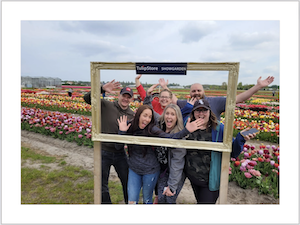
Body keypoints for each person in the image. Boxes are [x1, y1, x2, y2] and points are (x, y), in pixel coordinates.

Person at [116, 105, 203, 204]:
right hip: (134, 169)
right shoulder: (130, 126)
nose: (147, 119)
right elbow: (118, 147)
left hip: (150, 170)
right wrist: (121, 132)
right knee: (131, 200)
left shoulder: (152, 129)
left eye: (149, 117)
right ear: (138, 115)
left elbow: (170, 139)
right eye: (145, 115)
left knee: (147, 199)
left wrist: (186, 131)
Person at [184, 99, 256, 204]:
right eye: (197, 110)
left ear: (209, 112)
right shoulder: (188, 125)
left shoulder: (219, 129)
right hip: (193, 177)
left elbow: (233, 153)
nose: (201, 114)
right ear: (193, 113)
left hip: (210, 180)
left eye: (204, 110)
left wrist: (240, 138)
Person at [83, 80, 135, 204]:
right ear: (119, 96)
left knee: (127, 181)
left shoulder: (132, 115)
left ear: (131, 100)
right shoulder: (106, 105)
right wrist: (101, 88)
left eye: (129, 97)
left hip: (120, 153)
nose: (125, 99)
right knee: (101, 183)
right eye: (124, 96)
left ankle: (129, 204)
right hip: (103, 151)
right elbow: (87, 98)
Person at [169, 76, 275, 120]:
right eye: (193, 91)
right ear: (190, 93)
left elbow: (238, 99)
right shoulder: (186, 103)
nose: (196, 93)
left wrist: (258, 87)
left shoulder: (214, 102)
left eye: (199, 90)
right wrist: (164, 87)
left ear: (203, 91)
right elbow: (174, 100)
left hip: (213, 142)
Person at [155, 104, 187, 204]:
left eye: (173, 114)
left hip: (176, 172)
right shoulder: (159, 128)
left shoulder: (179, 135)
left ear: (177, 117)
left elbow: (177, 162)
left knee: (169, 198)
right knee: (161, 198)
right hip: (162, 171)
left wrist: (172, 186)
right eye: (167, 113)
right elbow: (151, 112)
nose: (169, 116)